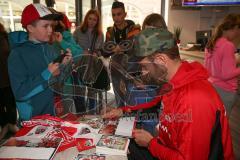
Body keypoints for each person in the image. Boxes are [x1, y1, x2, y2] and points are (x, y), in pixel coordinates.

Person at [103, 28, 235, 159]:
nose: (142, 73)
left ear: (161, 59)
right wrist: (123, 111)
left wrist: (150, 144)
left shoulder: (193, 99)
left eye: (144, 67)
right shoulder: (174, 80)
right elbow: (154, 105)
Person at [8, 3, 72, 121]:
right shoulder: (17, 54)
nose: (50, 30)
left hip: (53, 116)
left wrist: (64, 66)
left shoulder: (50, 48)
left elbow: (58, 83)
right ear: (30, 28)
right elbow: (20, 94)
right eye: (45, 26)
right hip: (33, 122)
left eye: (51, 25)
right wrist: (47, 74)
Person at [73, 9, 109, 114]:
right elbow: (73, 46)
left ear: (97, 21)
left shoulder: (99, 34)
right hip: (80, 65)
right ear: (86, 18)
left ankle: (91, 113)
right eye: (90, 18)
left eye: (95, 19)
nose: (92, 21)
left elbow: (101, 50)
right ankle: (82, 113)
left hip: (93, 66)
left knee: (92, 90)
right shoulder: (78, 31)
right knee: (80, 90)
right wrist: (81, 51)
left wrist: (96, 53)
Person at [105, 1, 141, 107]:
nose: (116, 17)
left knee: (132, 95)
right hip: (116, 68)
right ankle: (121, 119)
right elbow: (105, 50)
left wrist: (117, 48)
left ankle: (132, 119)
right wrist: (115, 49)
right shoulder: (110, 32)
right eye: (113, 15)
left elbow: (132, 46)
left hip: (133, 68)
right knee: (119, 98)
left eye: (119, 14)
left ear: (125, 14)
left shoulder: (135, 29)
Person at [204, 13, 240, 117]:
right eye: (238, 31)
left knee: (213, 121)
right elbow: (226, 74)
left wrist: (234, 61)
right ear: (234, 28)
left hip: (212, 87)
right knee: (222, 124)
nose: (238, 34)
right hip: (225, 91)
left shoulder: (212, 42)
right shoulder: (228, 45)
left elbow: (213, 68)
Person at [0, 23, 18, 140]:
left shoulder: (5, 38)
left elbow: (10, 55)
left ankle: (11, 124)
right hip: (4, 77)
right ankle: (4, 125)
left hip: (7, 77)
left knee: (10, 103)